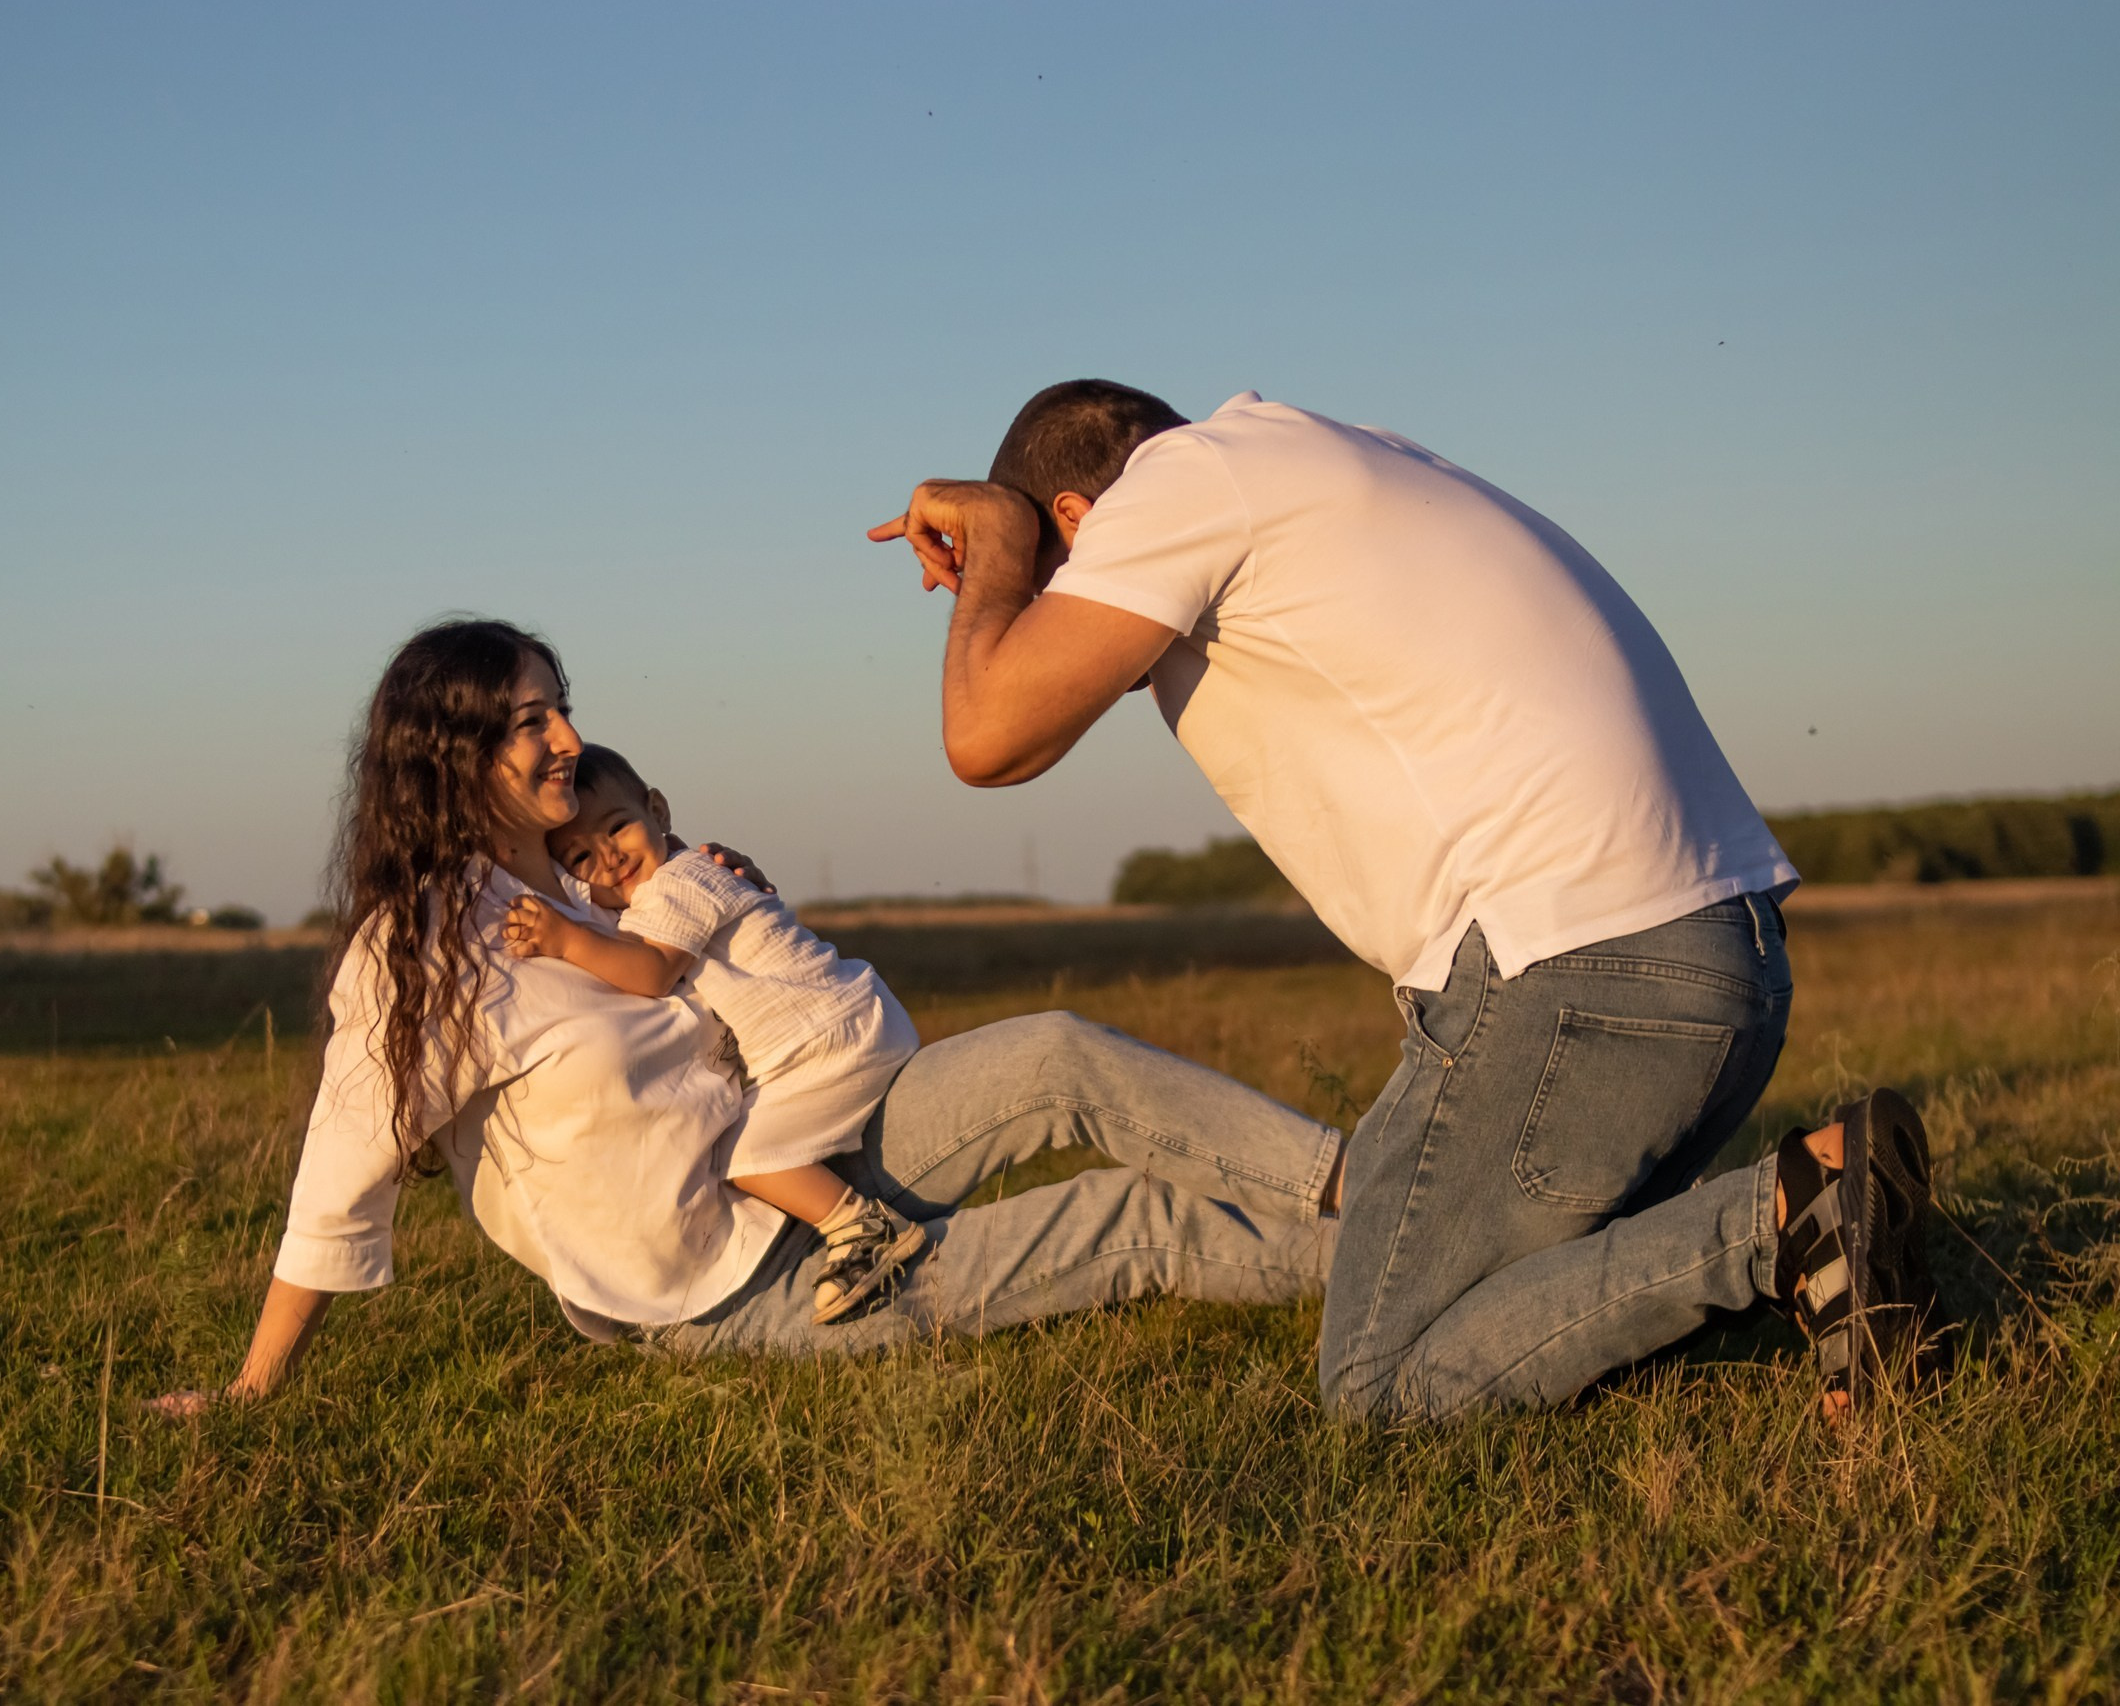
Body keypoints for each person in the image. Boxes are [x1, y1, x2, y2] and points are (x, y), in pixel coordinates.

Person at [868, 380, 1949, 1423]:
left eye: (1061, 579)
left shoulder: (1177, 484)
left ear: (1075, 515)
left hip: (1572, 969)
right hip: (1722, 960)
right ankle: (1827, 1255)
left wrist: (999, 556)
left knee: (1382, 1383)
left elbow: (989, 737)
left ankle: (1788, 1214)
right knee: (1501, 1306)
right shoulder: (1325, 458)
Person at [157, 616, 1344, 1410]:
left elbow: (733, 1006)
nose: (569, 738)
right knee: (1134, 1225)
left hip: (819, 1154)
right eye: (530, 723)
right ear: (449, 755)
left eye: (560, 709)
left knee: (1057, 1052)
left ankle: (1357, 1177)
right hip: (742, 1283)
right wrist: (253, 1389)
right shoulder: (423, 946)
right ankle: (1419, 1245)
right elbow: (341, 1163)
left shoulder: (591, 887)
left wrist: (721, 899)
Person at [502, 744, 930, 1325]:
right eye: (580, 857)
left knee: (740, 1156)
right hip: (842, 1021)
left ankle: (860, 1228)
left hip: (830, 1037)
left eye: (618, 827)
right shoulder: (672, 883)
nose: (608, 858)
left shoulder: (680, 882)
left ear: (658, 809)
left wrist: (565, 941)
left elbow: (651, 972)